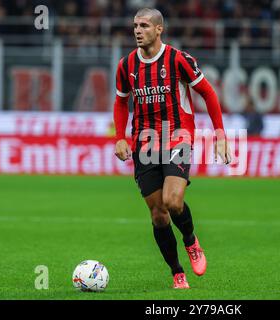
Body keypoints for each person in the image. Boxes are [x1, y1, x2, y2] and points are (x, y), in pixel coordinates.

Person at [113, 8, 232, 289]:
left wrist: (220, 134)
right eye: (134, 25)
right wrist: (120, 137)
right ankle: (177, 272)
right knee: (157, 214)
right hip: (144, 142)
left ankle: (191, 241)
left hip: (178, 136)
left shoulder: (177, 59)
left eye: (143, 25)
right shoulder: (126, 65)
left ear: (158, 29)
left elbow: (208, 92)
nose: (137, 30)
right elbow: (121, 101)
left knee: (173, 201)